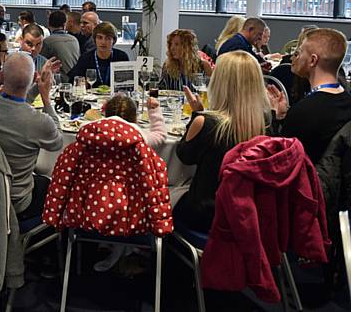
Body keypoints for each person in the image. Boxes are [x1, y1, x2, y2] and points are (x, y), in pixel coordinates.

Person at [175, 51, 269, 232]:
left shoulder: (207, 123)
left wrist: (197, 115)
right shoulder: (265, 125)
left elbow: (184, 156)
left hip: (206, 215)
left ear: (220, 83)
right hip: (247, 214)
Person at [0, 52, 63, 219]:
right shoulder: (39, 122)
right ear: (33, 78)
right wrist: (45, 96)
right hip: (17, 201)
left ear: (1, 75)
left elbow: (12, 103)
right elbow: (57, 141)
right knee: (49, 182)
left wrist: (36, 87)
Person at [91, 93, 167, 271]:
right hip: (134, 210)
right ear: (135, 118)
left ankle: (108, 244)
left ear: (106, 115)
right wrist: (154, 111)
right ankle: (129, 247)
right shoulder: (139, 135)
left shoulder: (93, 133)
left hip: (94, 206)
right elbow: (161, 135)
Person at [268, 28, 351, 164]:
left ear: (313, 60)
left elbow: (280, 161)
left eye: (299, 52)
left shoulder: (303, 112)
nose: (295, 57)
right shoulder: (347, 102)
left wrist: (275, 119)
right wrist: (285, 115)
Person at [68, 22, 129, 86]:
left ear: (113, 40)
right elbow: (73, 81)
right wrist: (81, 83)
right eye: (100, 37)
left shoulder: (122, 57)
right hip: (91, 95)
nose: (103, 42)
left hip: (115, 95)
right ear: (95, 39)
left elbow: (129, 83)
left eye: (108, 38)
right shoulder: (85, 58)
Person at [40, 11, 80, 81]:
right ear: (64, 24)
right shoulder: (74, 40)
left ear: (48, 24)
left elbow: (40, 63)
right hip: (76, 79)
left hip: (59, 81)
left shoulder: (47, 42)